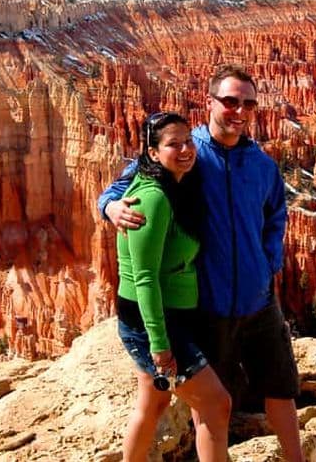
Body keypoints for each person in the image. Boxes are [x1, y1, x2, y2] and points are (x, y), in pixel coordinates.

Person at [99, 66, 303, 462]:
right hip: (207, 307)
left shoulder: (261, 165)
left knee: (281, 389)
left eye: (247, 103)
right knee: (212, 407)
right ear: (209, 102)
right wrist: (108, 205)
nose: (238, 110)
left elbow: (276, 216)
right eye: (229, 101)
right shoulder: (186, 152)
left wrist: (268, 263)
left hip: (259, 300)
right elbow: (128, 183)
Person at [115, 111, 231, 462]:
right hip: (153, 320)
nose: (184, 149)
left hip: (171, 315)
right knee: (217, 404)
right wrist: (160, 344)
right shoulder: (152, 198)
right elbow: (144, 277)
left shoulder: (176, 187)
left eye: (187, 141)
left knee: (153, 403)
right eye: (172, 144)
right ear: (152, 153)